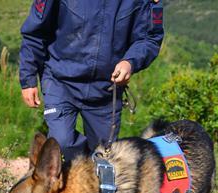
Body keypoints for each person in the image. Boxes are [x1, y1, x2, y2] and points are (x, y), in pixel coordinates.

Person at [19, 0, 165, 162]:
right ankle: (85, 166)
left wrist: (130, 62)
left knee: (104, 157)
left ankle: (93, 168)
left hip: (106, 90)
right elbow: (35, 34)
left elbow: (149, 38)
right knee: (62, 143)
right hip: (60, 81)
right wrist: (28, 78)